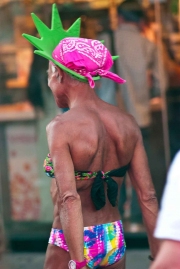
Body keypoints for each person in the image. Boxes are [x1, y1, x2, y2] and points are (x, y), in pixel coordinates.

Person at [23, 4, 160, 269]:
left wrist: (78, 262)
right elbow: (148, 196)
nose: (51, 82)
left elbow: (69, 198)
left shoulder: (61, 126)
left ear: (60, 74)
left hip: (71, 240)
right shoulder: (127, 123)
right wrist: (159, 257)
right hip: (112, 236)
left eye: (51, 74)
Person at [114, 1, 167, 228]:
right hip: (140, 117)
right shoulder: (148, 45)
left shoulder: (106, 41)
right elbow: (161, 84)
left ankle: (113, 215)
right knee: (139, 169)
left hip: (111, 118)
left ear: (120, 18)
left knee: (113, 169)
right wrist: (146, 95)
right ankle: (138, 216)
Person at [149, 150, 180, 269]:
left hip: (88, 239)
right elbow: (147, 196)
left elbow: (173, 260)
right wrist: (154, 254)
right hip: (114, 233)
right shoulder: (130, 134)